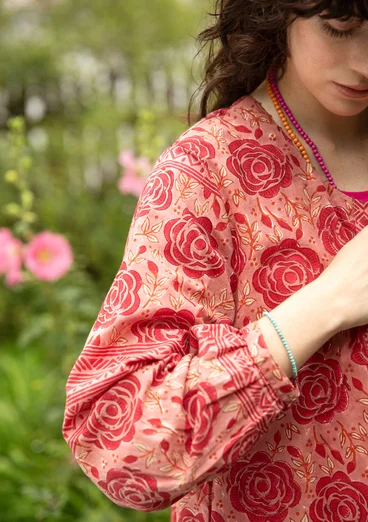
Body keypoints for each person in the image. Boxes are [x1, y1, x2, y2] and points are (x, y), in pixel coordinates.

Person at [62, 0, 368, 520]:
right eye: (339, 29)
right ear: (275, 14)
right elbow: (118, 445)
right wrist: (324, 307)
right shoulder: (205, 173)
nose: (364, 61)